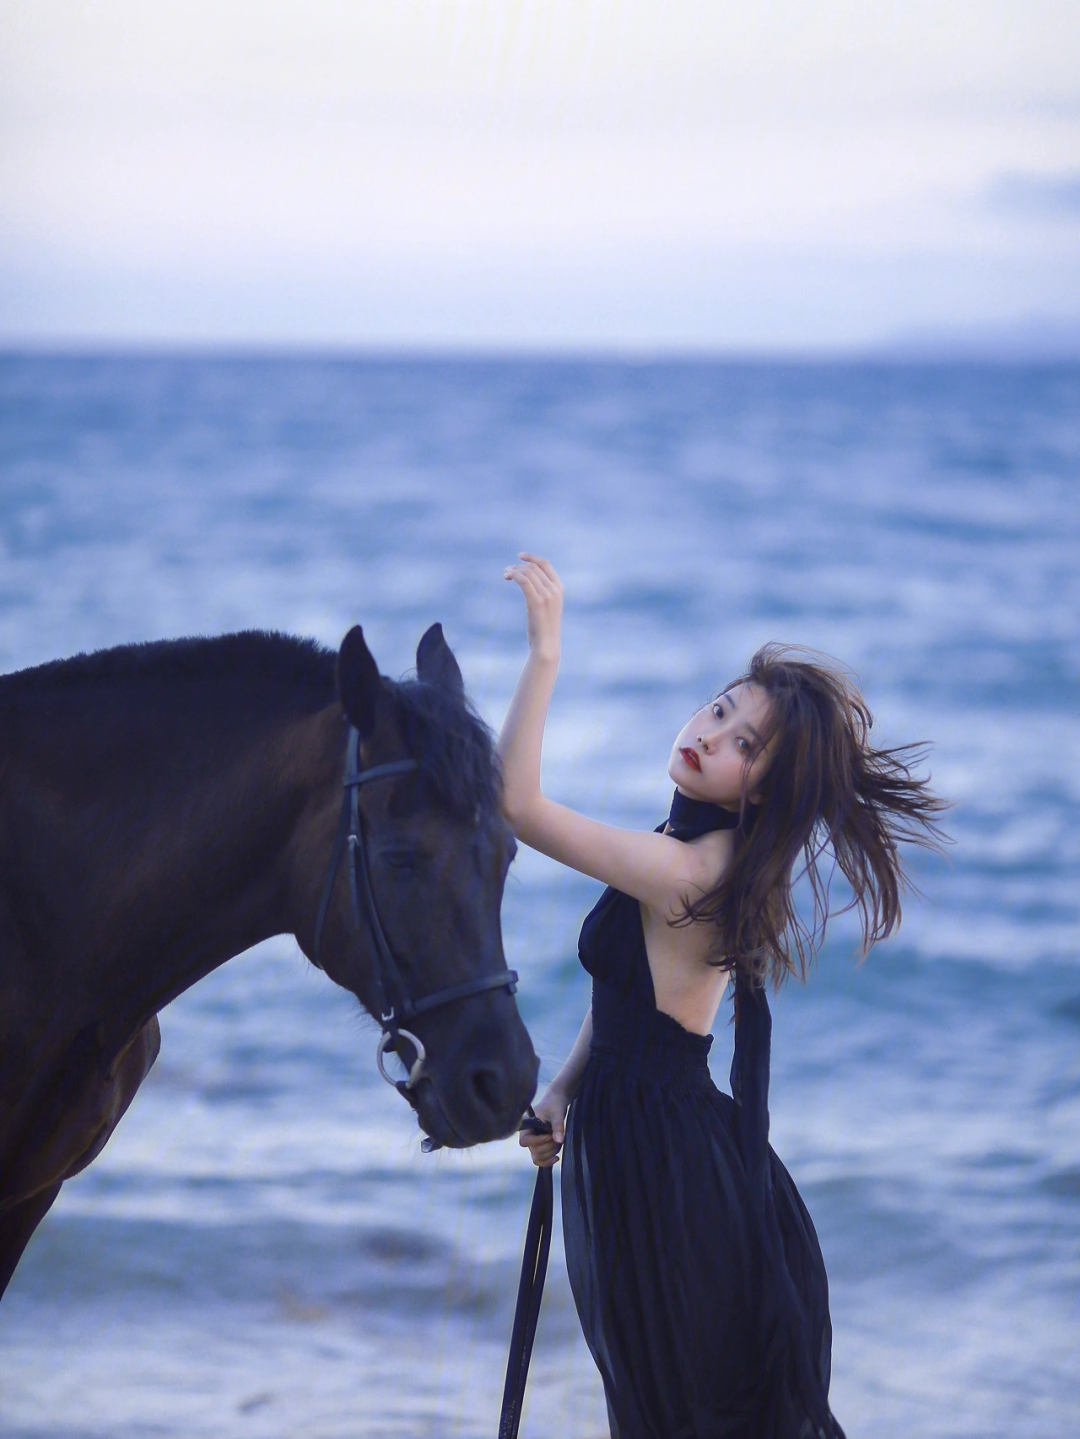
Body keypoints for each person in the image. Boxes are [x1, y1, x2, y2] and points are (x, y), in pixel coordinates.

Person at [498, 554, 947, 1439]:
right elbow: (633, 1002)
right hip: (634, 1145)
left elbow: (515, 804)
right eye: (719, 709)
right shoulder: (693, 848)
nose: (711, 734)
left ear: (766, 789)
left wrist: (545, 654)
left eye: (744, 745)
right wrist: (562, 1087)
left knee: (672, 1413)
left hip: (662, 1173)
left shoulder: (690, 870)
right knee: (652, 1406)